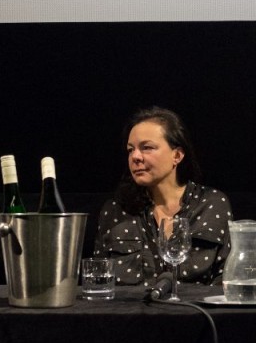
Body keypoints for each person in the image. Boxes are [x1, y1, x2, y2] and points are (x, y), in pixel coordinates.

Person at [93, 107, 232, 286]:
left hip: (195, 312)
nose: (135, 156)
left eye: (147, 148)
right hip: (130, 313)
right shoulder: (116, 210)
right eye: (130, 150)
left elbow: (227, 279)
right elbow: (98, 281)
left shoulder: (210, 204)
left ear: (177, 155)